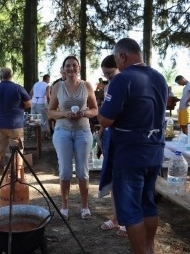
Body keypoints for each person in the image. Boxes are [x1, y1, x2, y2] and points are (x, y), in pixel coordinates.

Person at [97, 38, 167, 254]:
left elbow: (106, 119)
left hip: (130, 155)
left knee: (130, 208)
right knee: (148, 201)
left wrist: (100, 111)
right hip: (154, 151)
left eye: (117, 58)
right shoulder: (159, 77)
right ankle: (149, 249)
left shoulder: (121, 79)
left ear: (122, 56)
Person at [48, 55, 98, 220]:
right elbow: (50, 112)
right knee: (65, 172)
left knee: (83, 173)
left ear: (79, 68)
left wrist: (83, 113)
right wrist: (65, 114)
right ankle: (64, 206)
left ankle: (85, 206)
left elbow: (95, 110)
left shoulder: (87, 85)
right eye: (67, 66)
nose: (71, 68)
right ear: (63, 69)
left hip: (83, 131)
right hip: (62, 132)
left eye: (74, 65)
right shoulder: (58, 86)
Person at [97, 54, 127, 237]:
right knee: (114, 180)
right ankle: (116, 217)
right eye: (105, 74)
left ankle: (126, 220)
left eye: (110, 73)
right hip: (110, 135)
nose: (108, 76)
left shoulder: (125, 84)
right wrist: (100, 135)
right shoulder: (108, 87)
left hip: (124, 138)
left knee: (125, 181)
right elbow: (104, 115)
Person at [0, 67, 32, 178]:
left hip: (0, 124)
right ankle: (17, 173)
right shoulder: (18, 88)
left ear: (0, 76)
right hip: (15, 125)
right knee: (18, 149)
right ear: (11, 75)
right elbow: (29, 103)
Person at [30, 74, 51, 139]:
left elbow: (30, 93)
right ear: (48, 79)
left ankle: (35, 134)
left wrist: (32, 101)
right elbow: (48, 96)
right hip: (41, 102)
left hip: (34, 102)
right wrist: (49, 104)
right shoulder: (47, 85)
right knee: (43, 118)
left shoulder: (36, 84)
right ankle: (44, 134)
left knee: (34, 117)